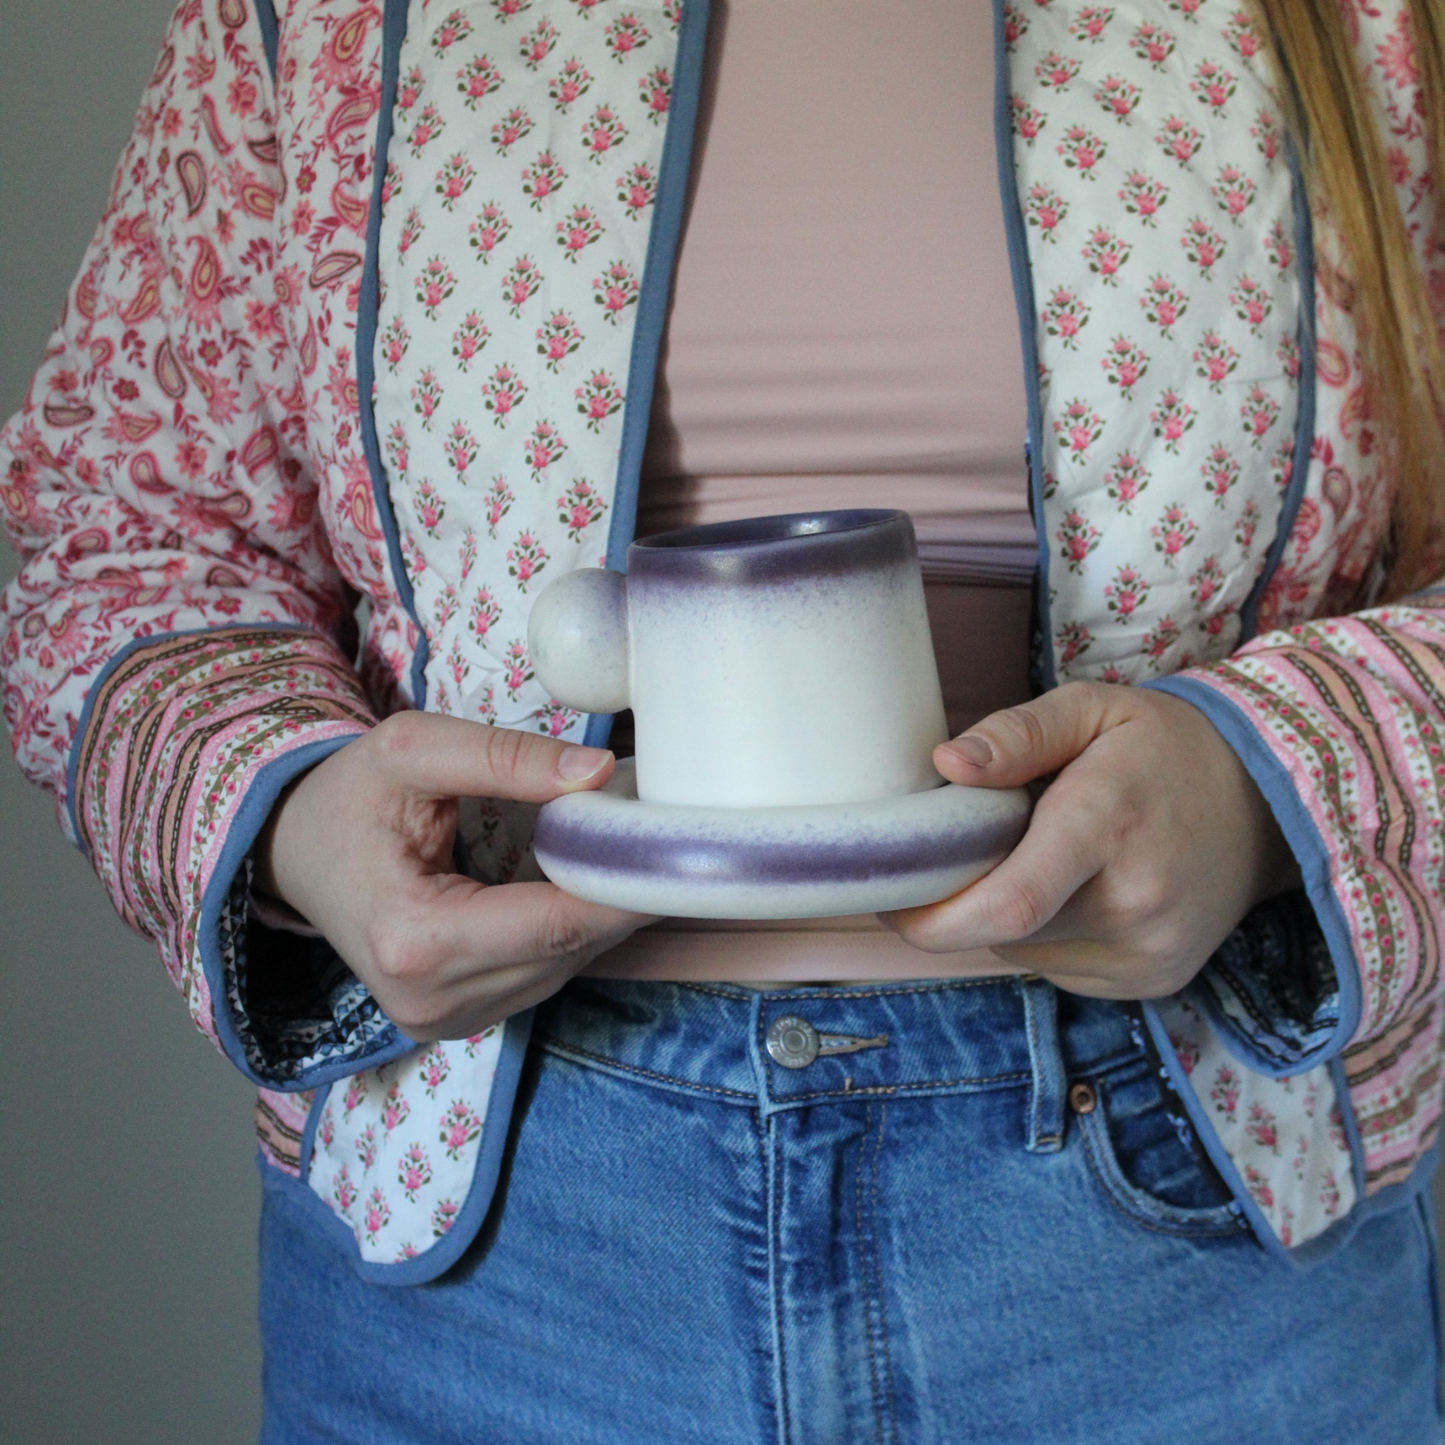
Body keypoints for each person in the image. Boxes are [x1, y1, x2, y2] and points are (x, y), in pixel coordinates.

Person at [4, 0, 1444, 1438]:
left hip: (1201, 1236)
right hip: (498, 1269)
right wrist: (288, 813)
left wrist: (1271, 798)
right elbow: (118, 527)